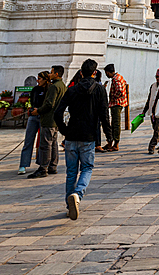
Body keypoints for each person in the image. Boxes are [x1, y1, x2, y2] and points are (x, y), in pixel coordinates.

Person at [54, 58, 111, 221]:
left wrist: (65, 131)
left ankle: (69, 205)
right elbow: (104, 115)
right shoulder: (100, 90)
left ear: (80, 72)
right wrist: (109, 136)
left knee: (71, 172)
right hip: (88, 136)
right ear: (94, 73)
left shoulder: (71, 90)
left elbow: (58, 113)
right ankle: (77, 195)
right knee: (86, 168)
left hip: (71, 136)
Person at [29, 65, 66, 179]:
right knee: (53, 144)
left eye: (51, 72)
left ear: (56, 74)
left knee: (45, 145)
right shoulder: (63, 86)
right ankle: (52, 166)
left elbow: (50, 104)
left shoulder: (54, 87)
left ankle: (43, 167)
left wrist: (38, 111)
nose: (49, 74)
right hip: (56, 120)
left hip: (49, 119)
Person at [18, 72, 48, 174]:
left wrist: (39, 110)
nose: (37, 81)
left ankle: (41, 163)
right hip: (33, 117)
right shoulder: (35, 89)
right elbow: (32, 101)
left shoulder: (48, 89)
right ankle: (23, 164)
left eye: (40, 78)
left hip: (43, 116)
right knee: (28, 141)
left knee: (42, 141)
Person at [102, 64, 128, 152]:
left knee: (116, 123)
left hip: (117, 104)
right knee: (114, 123)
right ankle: (112, 142)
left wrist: (113, 97)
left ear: (109, 72)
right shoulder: (119, 77)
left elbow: (120, 91)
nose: (106, 75)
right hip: (119, 103)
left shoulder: (116, 80)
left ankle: (116, 144)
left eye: (107, 73)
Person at [144, 68, 159, 155]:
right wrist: (144, 111)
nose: (158, 78)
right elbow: (149, 98)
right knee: (157, 129)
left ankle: (151, 146)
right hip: (152, 111)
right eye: (157, 77)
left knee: (157, 130)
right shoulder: (153, 86)